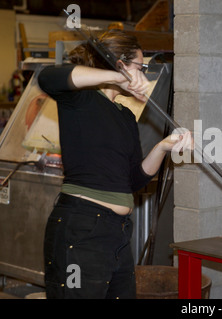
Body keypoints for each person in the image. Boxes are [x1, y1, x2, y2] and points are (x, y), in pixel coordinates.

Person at [38, 30, 191, 299]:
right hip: (82, 228)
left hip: (117, 232)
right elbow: (47, 77)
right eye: (139, 66)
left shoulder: (125, 116)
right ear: (118, 63)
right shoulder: (80, 99)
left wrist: (163, 147)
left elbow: (133, 180)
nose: (143, 72)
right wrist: (119, 76)